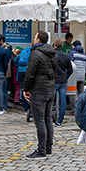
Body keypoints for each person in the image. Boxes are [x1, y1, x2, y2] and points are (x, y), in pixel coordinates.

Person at [23, 31, 57, 159]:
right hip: (50, 89)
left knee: (40, 120)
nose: (33, 39)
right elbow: (55, 71)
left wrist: (26, 88)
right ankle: (48, 147)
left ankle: (41, 149)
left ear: (38, 40)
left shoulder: (36, 53)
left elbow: (30, 72)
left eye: (35, 37)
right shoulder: (52, 53)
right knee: (47, 118)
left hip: (39, 90)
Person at [53, 38, 74, 126]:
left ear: (54, 45)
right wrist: (66, 76)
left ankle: (47, 118)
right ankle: (60, 121)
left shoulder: (52, 55)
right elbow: (70, 70)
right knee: (63, 102)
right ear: (62, 45)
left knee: (49, 99)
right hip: (63, 80)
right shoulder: (66, 56)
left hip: (54, 80)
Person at [15, 45, 32, 118]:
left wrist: (18, 68)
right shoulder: (32, 52)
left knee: (23, 88)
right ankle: (31, 107)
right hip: (28, 71)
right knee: (30, 89)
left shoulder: (23, 51)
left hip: (21, 72)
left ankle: (26, 109)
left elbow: (15, 60)